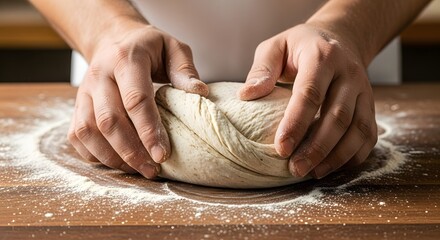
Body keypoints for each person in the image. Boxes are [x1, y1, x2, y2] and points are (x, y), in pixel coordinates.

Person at [30, 0, 430, 180]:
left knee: (329, 135)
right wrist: (106, 28)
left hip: (336, 76)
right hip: (129, 72)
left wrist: (351, 28)